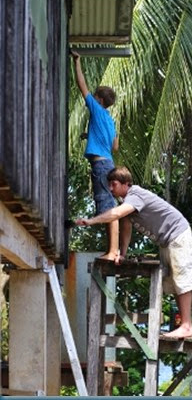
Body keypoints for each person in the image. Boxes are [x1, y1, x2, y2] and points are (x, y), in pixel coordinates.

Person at [75, 166, 192, 339]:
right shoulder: (128, 203)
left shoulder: (135, 195)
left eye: (114, 184)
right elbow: (126, 228)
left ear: (126, 184)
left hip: (178, 234)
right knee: (173, 281)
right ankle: (183, 325)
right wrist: (122, 254)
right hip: (166, 241)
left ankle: (187, 326)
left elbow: (116, 214)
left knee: (182, 278)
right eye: (109, 185)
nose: (111, 189)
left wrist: (91, 221)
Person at [71, 51, 119, 261]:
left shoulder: (97, 110)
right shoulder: (110, 119)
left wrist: (77, 61)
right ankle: (112, 249)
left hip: (100, 165)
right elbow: (115, 146)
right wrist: (88, 134)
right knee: (108, 205)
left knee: (108, 208)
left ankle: (113, 251)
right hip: (108, 162)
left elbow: (82, 86)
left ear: (99, 100)